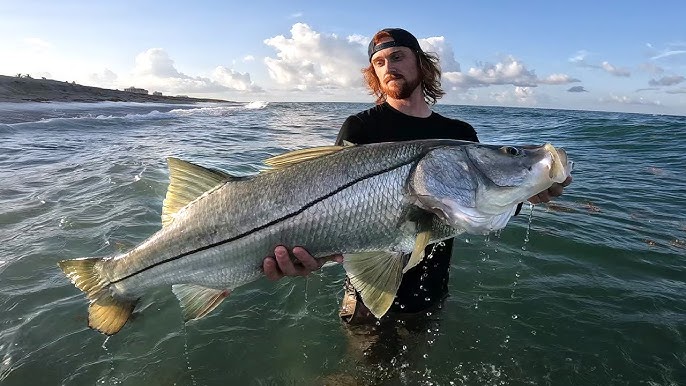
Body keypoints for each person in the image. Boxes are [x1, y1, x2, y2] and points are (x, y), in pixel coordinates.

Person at [263, 28, 572, 323]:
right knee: (360, 371)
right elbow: (327, 206)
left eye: (397, 57)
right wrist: (315, 254)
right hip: (367, 290)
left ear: (422, 64)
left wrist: (526, 194)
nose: (388, 68)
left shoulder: (459, 133)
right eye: (379, 62)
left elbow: (482, 199)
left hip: (433, 288)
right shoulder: (360, 127)